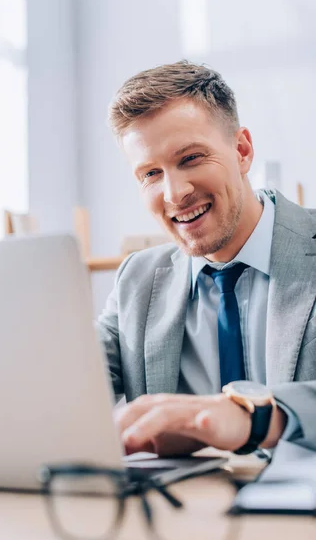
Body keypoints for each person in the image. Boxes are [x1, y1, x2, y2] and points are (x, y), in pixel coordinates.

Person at [97, 60, 316, 457]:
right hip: (188, 511)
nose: (174, 193)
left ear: (242, 150)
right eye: (150, 174)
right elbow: (67, 378)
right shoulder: (137, 279)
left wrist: (252, 418)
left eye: (191, 158)